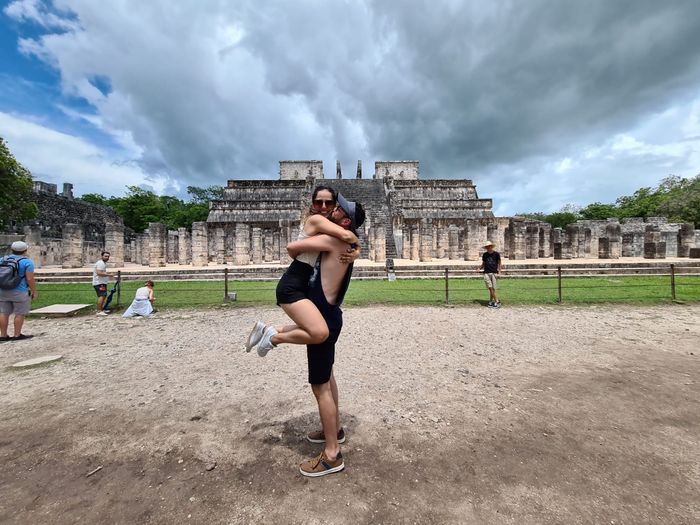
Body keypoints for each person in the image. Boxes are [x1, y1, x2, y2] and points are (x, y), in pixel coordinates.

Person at [290, 196, 365, 477]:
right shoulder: (344, 243)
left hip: (322, 317)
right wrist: (356, 245)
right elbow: (348, 240)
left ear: (344, 220)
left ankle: (332, 455)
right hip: (330, 315)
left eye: (336, 209)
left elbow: (293, 248)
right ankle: (334, 429)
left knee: (320, 386)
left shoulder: (334, 242)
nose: (330, 210)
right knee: (328, 376)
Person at [245, 187, 360, 356]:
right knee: (319, 332)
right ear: (312, 204)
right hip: (292, 284)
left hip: (300, 281)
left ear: (334, 205)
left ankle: (266, 329)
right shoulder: (316, 220)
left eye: (328, 202)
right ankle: (272, 339)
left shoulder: (324, 227)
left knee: (311, 327)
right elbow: (347, 236)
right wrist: (358, 246)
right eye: (318, 202)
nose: (323, 206)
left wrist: (355, 252)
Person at [0, 241, 38, 341]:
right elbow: (29, 278)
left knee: (4, 313)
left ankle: (3, 335)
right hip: (19, 290)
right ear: (25, 250)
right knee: (20, 313)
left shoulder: (2, 259)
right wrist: (34, 291)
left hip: (3, 289)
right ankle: (17, 335)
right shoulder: (27, 262)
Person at [478, 241, 502, 308]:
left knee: (493, 289)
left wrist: (499, 272)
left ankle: (491, 301)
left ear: (491, 246)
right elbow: (483, 263)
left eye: (489, 246)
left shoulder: (496, 254)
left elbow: (499, 263)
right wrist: (479, 268)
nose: (488, 247)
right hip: (486, 273)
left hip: (494, 272)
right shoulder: (485, 254)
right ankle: (497, 301)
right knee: (490, 288)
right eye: (487, 247)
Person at [93, 251, 111, 316]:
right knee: (101, 296)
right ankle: (99, 311)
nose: (107, 257)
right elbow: (99, 273)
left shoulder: (102, 263)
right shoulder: (100, 263)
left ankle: (101, 309)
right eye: (105, 256)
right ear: (102, 256)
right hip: (99, 283)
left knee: (103, 295)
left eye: (108, 256)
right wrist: (109, 274)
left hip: (101, 282)